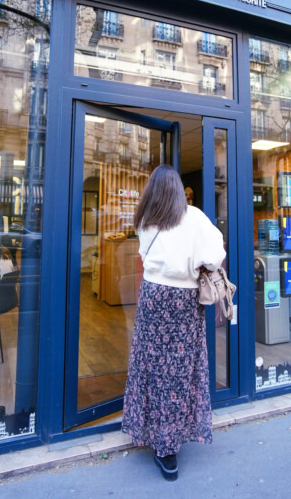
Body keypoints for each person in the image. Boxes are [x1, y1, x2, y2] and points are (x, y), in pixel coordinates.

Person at [121, 165, 226, 481]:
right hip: (184, 299)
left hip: (153, 295)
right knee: (181, 369)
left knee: (151, 366)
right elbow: (215, 256)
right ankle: (173, 443)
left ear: (152, 190)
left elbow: (144, 256)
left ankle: (154, 437)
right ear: (179, 190)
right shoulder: (194, 217)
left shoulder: (145, 218)